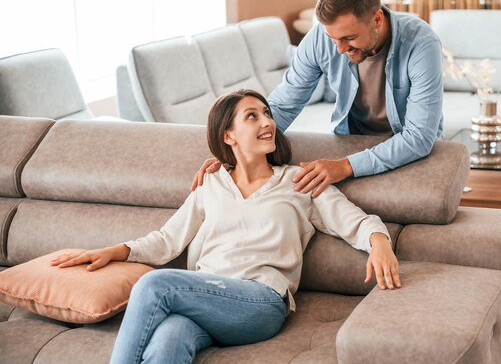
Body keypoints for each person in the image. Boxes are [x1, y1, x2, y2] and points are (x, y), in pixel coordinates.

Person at [50, 89, 401, 364]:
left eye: (267, 114)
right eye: (252, 116)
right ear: (229, 135)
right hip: (205, 299)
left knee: (154, 284)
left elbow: (357, 221)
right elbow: (167, 240)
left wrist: (380, 243)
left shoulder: (297, 180)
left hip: (261, 302)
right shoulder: (212, 182)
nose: (267, 122)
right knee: (170, 337)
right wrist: (115, 251)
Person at [192, 0, 444, 198]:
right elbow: (285, 102)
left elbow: (419, 137)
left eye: (349, 38)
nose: (341, 49)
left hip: (406, 146)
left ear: (377, 19)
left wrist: (345, 166)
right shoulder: (319, 40)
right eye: (332, 38)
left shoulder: (421, 43)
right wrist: (233, 152)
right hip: (351, 140)